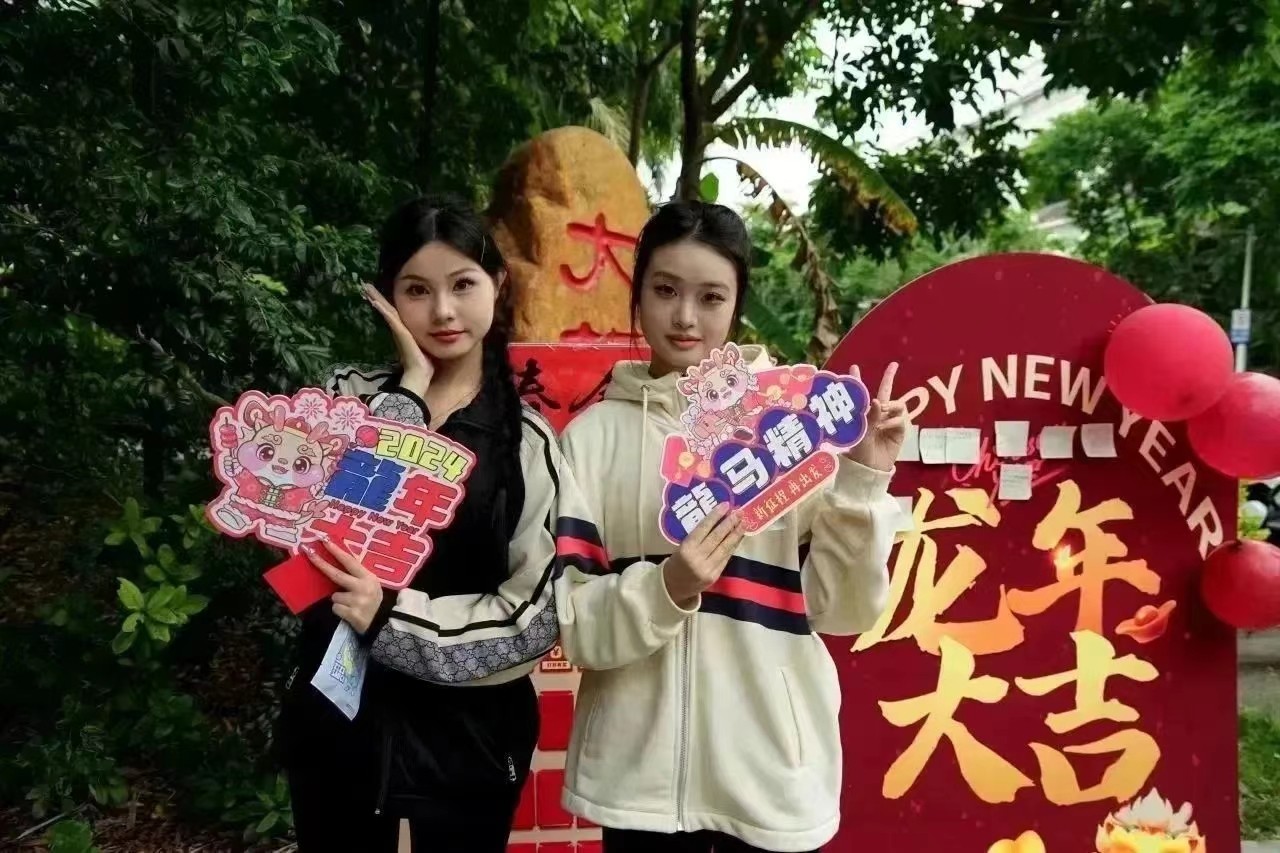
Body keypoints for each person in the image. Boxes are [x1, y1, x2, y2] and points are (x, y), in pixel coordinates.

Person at [554, 201, 908, 853]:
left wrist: (863, 478)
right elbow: (575, 625)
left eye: (711, 297)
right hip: (637, 793)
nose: (685, 317)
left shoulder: (790, 428)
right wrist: (669, 587)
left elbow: (842, 609)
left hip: (771, 782)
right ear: (637, 295)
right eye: (665, 290)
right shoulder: (589, 441)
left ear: (738, 303)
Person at [276, 196, 605, 852]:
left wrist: (390, 619)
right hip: (339, 726)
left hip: (471, 738)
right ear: (389, 298)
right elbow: (309, 528)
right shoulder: (342, 401)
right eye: (418, 290)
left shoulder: (526, 444)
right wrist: (408, 395)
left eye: (462, 285)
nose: (444, 311)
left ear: (498, 284)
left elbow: (536, 614)